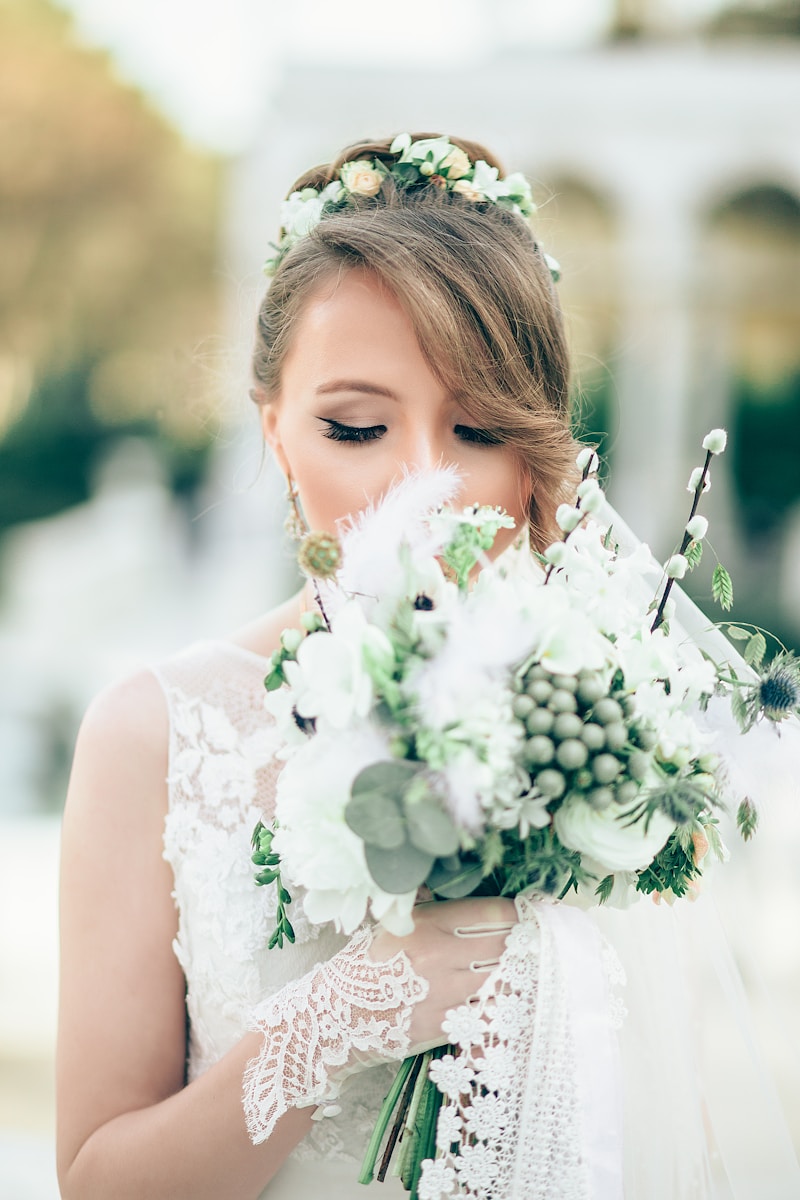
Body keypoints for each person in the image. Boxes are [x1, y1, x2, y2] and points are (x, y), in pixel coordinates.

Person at [56, 132, 799, 1200]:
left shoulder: (607, 714)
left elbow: (655, 1131)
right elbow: (92, 1179)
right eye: (354, 425)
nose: (421, 483)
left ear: (538, 452)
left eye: (478, 429)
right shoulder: (155, 733)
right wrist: (335, 1020)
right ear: (274, 432)